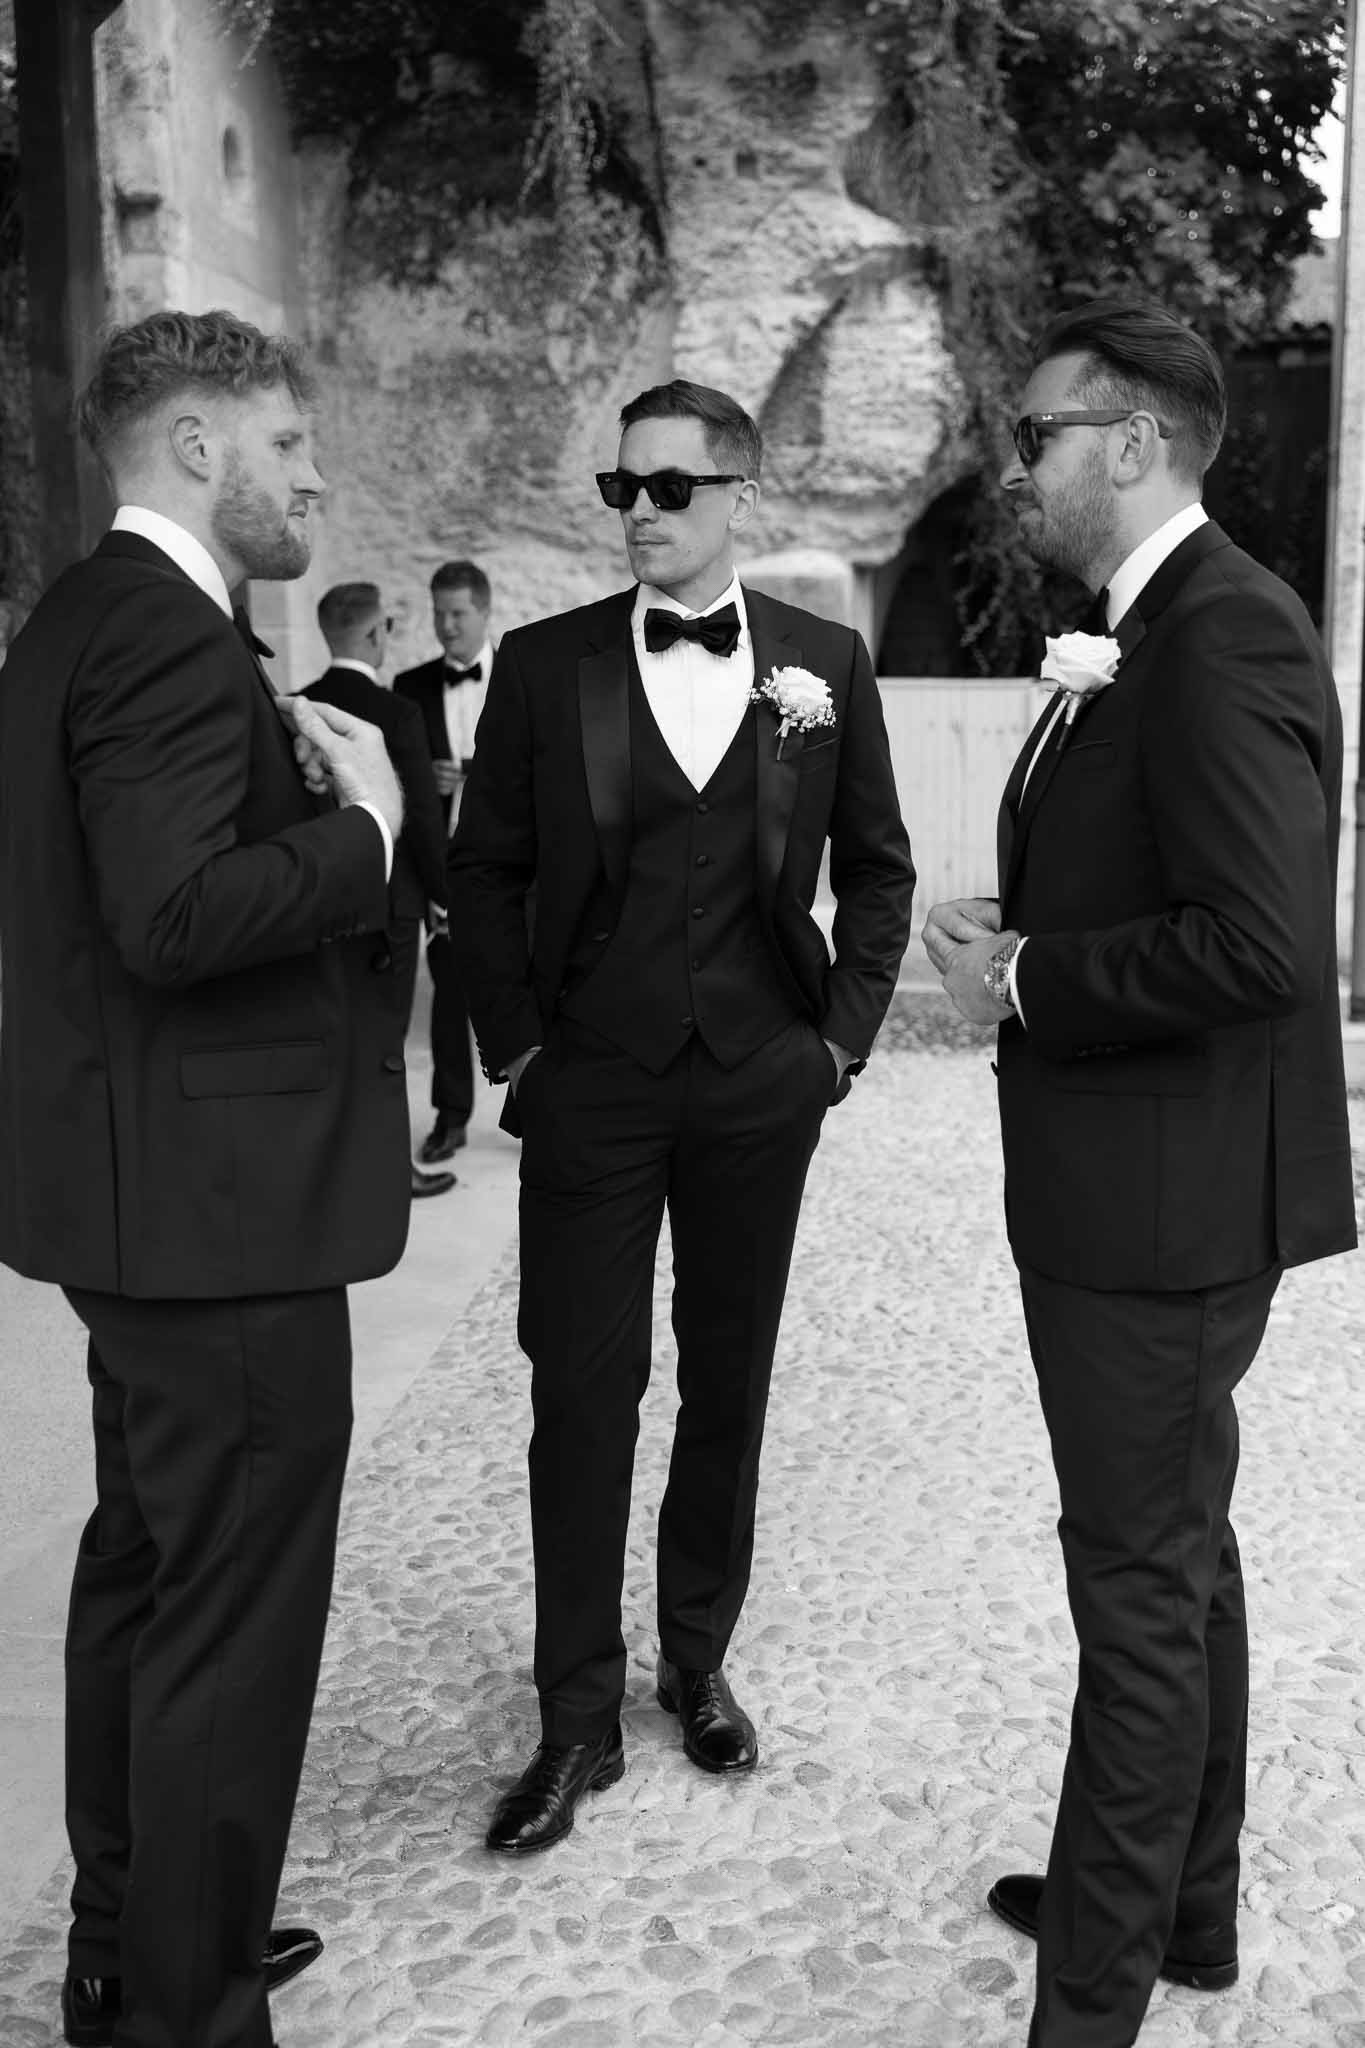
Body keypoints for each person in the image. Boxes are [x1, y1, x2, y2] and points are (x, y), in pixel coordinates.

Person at [922, 299, 1356, 2047]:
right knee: (1184, 1550)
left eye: (1038, 437)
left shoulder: (1223, 633)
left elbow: (1259, 944)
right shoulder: (1140, 627)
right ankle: (1185, 1903)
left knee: (1138, 1589)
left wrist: (1022, 977)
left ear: (1135, 443)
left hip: (1164, 1208)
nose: (1015, 468)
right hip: (1131, 1185)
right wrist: (1014, 930)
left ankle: (1085, 2006)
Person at [0, 309, 411, 2048]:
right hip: (222, 1220)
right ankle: (187, 2002)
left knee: (146, 1583)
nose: (317, 475)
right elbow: (170, 918)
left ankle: (128, 1941)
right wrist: (368, 834)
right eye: (293, 444)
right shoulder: (165, 640)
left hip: (147, 1205)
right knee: (229, 1635)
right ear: (193, 446)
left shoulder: (78, 621)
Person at [450, 377, 916, 1854]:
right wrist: (519, 1050)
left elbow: (881, 868)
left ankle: (694, 1660)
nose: (638, 512)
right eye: (620, 490)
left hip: (758, 1083)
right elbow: (485, 875)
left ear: (738, 493)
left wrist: (835, 1045)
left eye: (666, 487)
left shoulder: (823, 664)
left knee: (730, 1383)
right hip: (591, 1082)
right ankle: (574, 1720)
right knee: (579, 1395)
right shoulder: (543, 665)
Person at [304, 581, 454, 1198]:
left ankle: (329, 1166)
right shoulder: (397, 714)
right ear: (374, 634)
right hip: (391, 902)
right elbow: (419, 811)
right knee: (385, 1038)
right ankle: (391, 1169)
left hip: (316, 899)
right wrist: (446, 894)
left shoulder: (298, 703)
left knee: (331, 1033)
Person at [394, 560, 494, 1163]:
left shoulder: (521, 676)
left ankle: (534, 1112)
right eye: (438, 613)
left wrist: (474, 774)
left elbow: (547, 766)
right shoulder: (408, 688)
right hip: (443, 868)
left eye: (457, 613)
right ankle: (451, 1116)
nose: (446, 625)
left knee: (530, 993)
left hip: (515, 866)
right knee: (450, 997)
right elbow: (397, 779)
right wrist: (423, 781)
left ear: (484, 611)